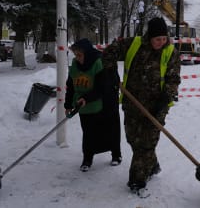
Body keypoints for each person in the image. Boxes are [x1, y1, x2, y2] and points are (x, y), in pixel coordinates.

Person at [102, 17, 181, 195]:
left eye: (163, 38)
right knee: (133, 139)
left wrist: (164, 98)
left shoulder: (171, 52)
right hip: (132, 103)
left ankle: (137, 180)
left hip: (157, 106)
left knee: (146, 143)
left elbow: (174, 78)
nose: (161, 42)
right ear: (149, 36)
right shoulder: (134, 44)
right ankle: (151, 165)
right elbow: (109, 52)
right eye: (157, 39)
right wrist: (111, 71)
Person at [64, 38, 122, 172]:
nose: (77, 58)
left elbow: (102, 87)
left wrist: (87, 98)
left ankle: (116, 155)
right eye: (76, 55)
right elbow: (70, 85)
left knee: (110, 130)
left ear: (87, 53)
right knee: (88, 132)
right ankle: (87, 158)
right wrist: (68, 105)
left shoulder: (99, 63)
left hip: (104, 103)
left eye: (80, 55)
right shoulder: (75, 65)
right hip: (84, 105)